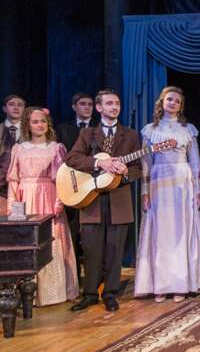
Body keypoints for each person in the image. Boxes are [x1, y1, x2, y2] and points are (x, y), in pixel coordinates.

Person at [65, 89, 141, 312]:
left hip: (119, 199)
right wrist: (99, 163)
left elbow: (137, 170)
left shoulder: (131, 135)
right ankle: (89, 294)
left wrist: (126, 172)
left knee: (114, 251)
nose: (114, 107)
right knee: (91, 250)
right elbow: (72, 158)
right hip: (91, 199)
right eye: (109, 103)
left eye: (117, 103)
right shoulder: (88, 134)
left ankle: (110, 293)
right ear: (99, 107)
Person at [134, 86, 200, 302]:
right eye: (169, 99)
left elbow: (195, 163)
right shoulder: (150, 130)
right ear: (162, 102)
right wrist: (145, 192)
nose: (173, 103)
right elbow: (146, 164)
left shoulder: (188, 129)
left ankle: (181, 285)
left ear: (181, 106)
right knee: (161, 233)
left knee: (181, 232)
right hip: (159, 182)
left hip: (182, 183)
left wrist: (198, 190)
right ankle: (160, 285)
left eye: (177, 100)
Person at [7, 107, 79, 305]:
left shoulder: (56, 148)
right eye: (35, 122)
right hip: (26, 199)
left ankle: (52, 293)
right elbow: (13, 181)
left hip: (48, 198)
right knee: (28, 243)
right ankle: (27, 293)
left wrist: (59, 202)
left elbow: (61, 179)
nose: (40, 125)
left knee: (51, 241)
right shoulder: (19, 149)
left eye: (43, 121)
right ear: (27, 125)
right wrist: (13, 207)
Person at [56, 93, 98, 276]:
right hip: (71, 183)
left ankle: (95, 277)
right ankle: (74, 278)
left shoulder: (99, 128)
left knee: (92, 236)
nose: (87, 107)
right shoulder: (63, 129)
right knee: (72, 231)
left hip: (93, 185)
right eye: (83, 104)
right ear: (74, 107)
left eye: (90, 104)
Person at [0, 95, 26, 215]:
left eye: (20, 105)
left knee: (19, 219)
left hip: (23, 187)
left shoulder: (31, 131)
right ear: (4, 109)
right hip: (2, 188)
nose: (16, 107)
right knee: (4, 220)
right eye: (11, 104)